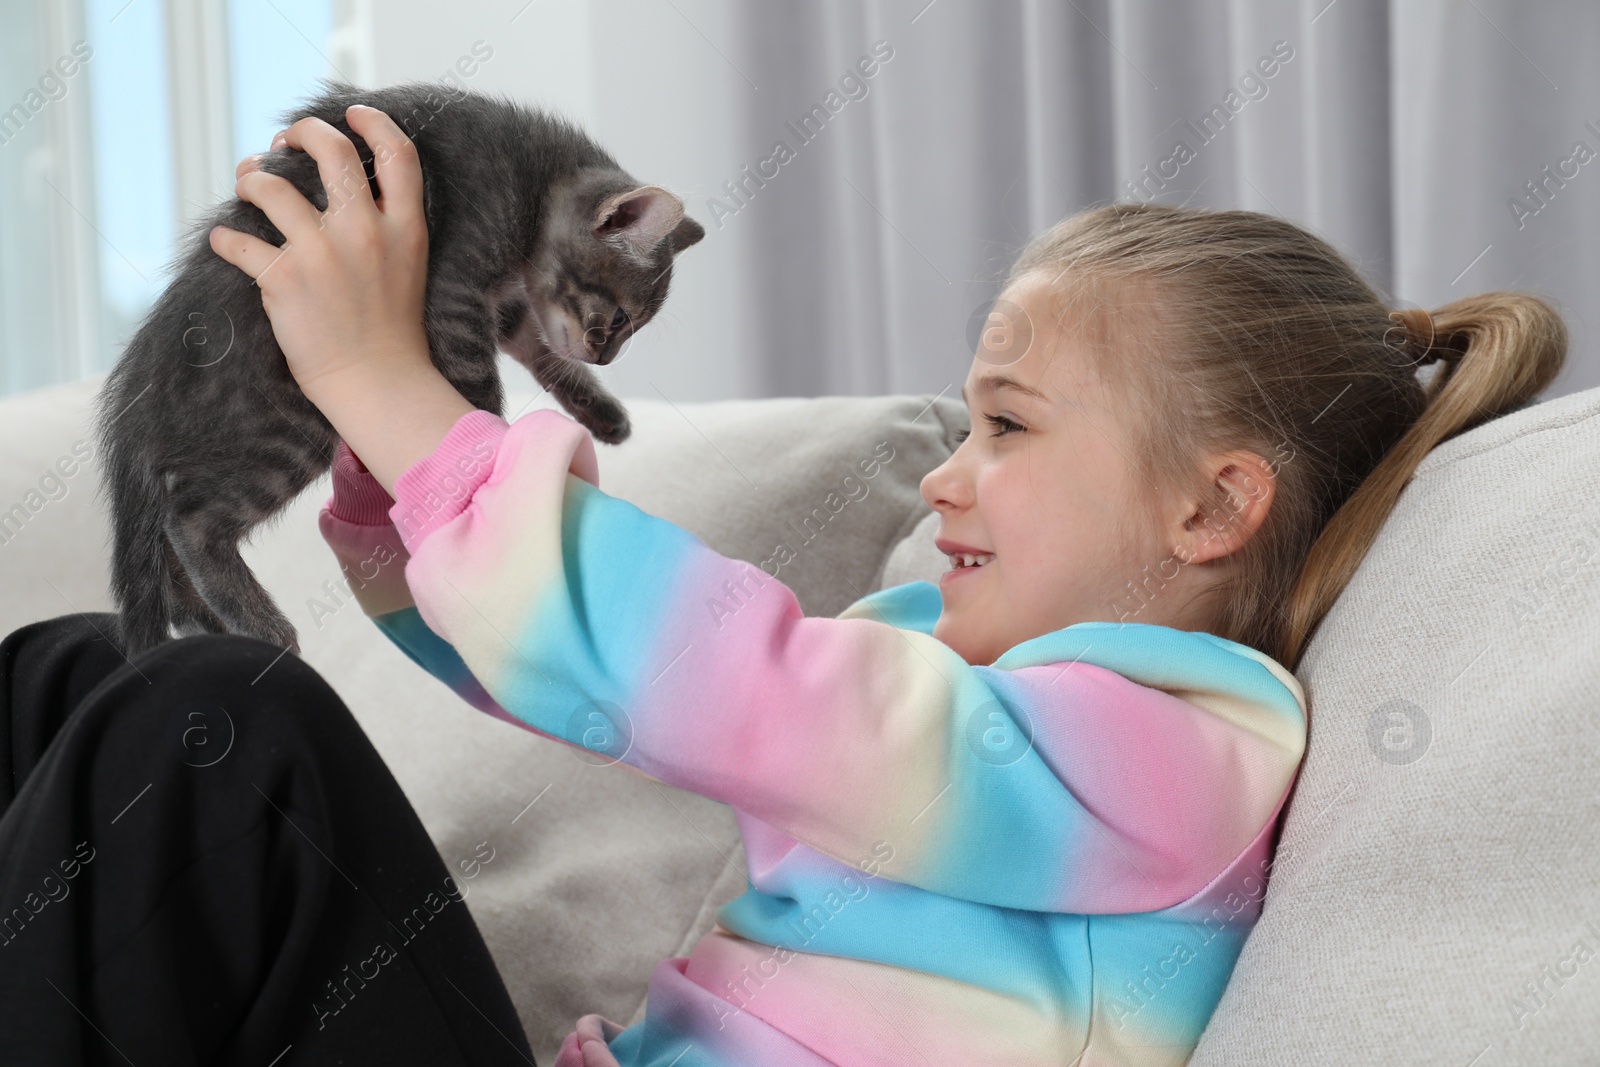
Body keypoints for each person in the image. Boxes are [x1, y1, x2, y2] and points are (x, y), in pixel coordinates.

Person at [0, 105, 1566, 1067]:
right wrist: (421, 535)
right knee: (80, 679)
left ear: (1215, 503)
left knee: (216, 734)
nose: (951, 469)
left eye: (1009, 426)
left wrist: (398, 394)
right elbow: (637, 696)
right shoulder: (970, 708)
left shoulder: (1170, 763)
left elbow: (737, 689)